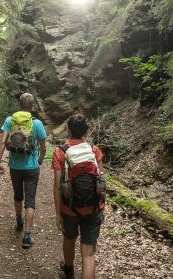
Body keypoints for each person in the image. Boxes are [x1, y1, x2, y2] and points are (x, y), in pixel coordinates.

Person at [51, 113, 105, 279]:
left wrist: (58, 213)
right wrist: (101, 207)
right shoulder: (94, 150)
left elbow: (57, 186)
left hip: (70, 208)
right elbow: (100, 179)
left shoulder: (60, 152)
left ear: (68, 130)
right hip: (93, 207)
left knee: (69, 239)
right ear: (85, 131)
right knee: (88, 255)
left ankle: (68, 270)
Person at [0, 93, 47, 249]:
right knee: (30, 200)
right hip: (31, 167)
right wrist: (40, 159)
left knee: (18, 195)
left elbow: (3, 141)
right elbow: (43, 147)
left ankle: (19, 220)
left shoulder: (10, 120)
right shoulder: (37, 123)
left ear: (20, 105)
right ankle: (27, 235)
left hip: (15, 167)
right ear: (32, 106)